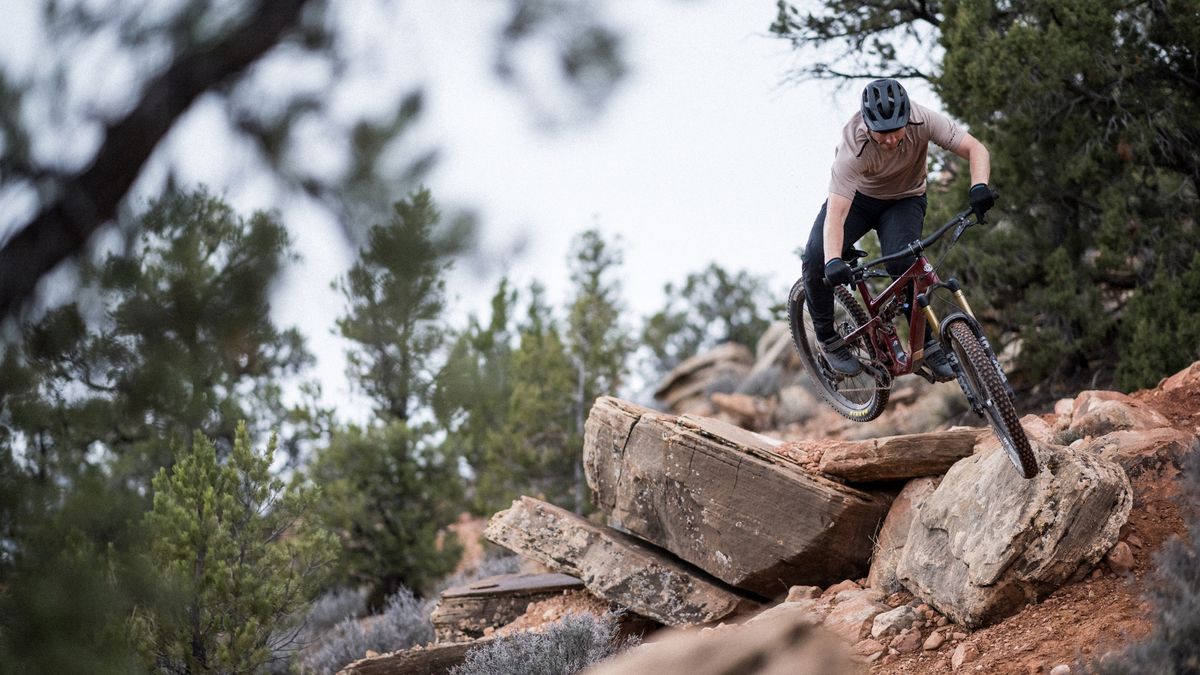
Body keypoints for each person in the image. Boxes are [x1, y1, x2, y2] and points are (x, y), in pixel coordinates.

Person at [802, 78, 995, 378]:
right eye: (882, 133)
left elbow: (975, 148)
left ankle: (927, 348)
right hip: (858, 201)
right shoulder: (852, 148)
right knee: (815, 258)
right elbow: (836, 216)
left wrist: (979, 186)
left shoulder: (924, 120)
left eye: (895, 131)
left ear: (907, 118)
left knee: (905, 263)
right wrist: (832, 262)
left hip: (904, 200)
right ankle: (828, 339)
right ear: (867, 125)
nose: (890, 140)